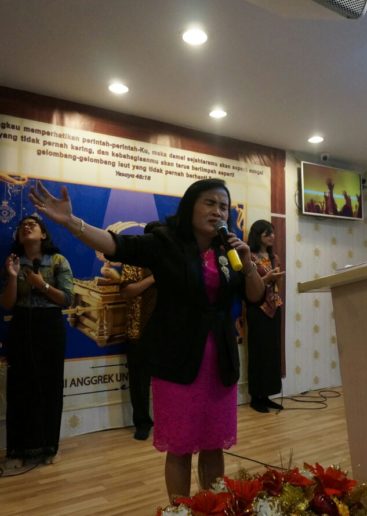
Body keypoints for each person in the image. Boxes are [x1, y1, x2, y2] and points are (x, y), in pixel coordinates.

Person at [28, 178, 264, 500]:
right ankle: (180, 509)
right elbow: (116, 244)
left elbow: (255, 297)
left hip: (219, 363)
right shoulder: (166, 242)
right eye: (209, 203)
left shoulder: (229, 251)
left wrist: (248, 264)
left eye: (223, 206)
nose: (218, 211)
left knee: (213, 445)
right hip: (176, 361)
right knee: (180, 447)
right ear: (190, 207)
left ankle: (213, 508)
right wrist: (71, 221)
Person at [0, 215, 74, 475]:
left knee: (49, 387)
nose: (27, 227)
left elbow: (67, 299)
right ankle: (17, 450)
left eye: (33, 225)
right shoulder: (13, 261)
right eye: (23, 226)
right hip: (21, 325)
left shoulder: (58, 260)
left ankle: (49, 447)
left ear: (43, 234)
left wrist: (42, 285)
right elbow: (7, 304)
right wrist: (12, 277)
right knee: (19, 388)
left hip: (50, 327)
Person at [101, 222, 159, 441]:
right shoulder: (134, 260)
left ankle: (169, 419)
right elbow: (127, 291)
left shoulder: (172, 259)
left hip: (167, 328)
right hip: (139, 328)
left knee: (169, 379)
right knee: (139, 380)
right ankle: (142, 422)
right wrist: (154, 278)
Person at [246, 220, 284, 413]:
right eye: (267, 233)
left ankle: (267, 395)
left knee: (272, 351)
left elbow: (277, 286)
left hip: (274, 307)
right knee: (258, 352)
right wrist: (267, 278)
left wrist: (277, 279)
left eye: (273, 233)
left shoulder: (274, 257)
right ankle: (256, 397)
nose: (272, 236)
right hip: (257, 308)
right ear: (257, 235)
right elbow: (248, 285)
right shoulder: (249, 257)